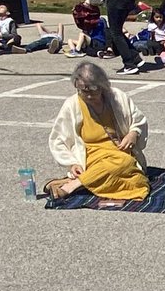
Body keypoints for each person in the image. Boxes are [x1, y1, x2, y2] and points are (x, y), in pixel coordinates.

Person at [46, 62, 150, 201]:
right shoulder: (72, 105)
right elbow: (58, 138)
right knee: (124, 163)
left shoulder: (117, 97)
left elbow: (138, 120)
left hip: (119, 149)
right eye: (83, 91)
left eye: (93, 90)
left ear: (102, 86)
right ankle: (70, 187)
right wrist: (72, 163)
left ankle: (74, 183)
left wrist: (134, 133)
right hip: (91, 155)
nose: (88, 96)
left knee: (138, 183)